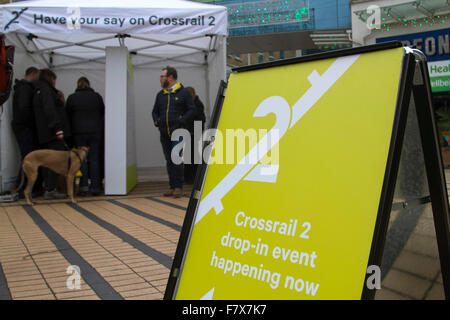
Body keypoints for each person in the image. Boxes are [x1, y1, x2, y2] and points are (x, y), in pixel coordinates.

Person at [152, 66, 196, 198]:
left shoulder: (183, 93)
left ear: (170, 77)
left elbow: (192, 110)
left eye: (162, 76)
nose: (160, 79)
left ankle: (178, 187)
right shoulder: (160, 95)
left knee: (176, 158)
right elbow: (154, 111)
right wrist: (156, 120)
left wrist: (182, 121)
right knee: (168, 159)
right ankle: (172, 186)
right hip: (164, 132)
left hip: (178, 131)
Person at [32, 68, 71, 200]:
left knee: (46, 162)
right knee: (55, 161)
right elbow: (49, 109)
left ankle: (48, 187)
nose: (55, 82)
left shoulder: (38, 90)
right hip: (52, 132)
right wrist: (57, 128)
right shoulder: (46, 91)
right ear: (50, 78)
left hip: (44, 133)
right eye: (54, 79)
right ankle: (50, 189)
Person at [66, 77, 105, 196]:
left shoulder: (72, 98)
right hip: (95, 132)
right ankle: (95, 186)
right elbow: (103, 112)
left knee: (82, 160)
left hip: (78, 133)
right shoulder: (96, 96)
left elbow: (67, 115)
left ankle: (83, 187)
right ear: (89, 85)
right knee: (94, 158)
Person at [11, 67, 43, 196]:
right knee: (27, 157)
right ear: (33, 74)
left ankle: (24, 187)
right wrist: (31, 123)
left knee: (27, 157)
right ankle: (22, 187)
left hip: (21, 126)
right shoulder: (25, 88)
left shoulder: (22, 88)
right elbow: (24, 108)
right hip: (25, 127)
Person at [184, 86, 206, 184]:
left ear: (192, 94)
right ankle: (188, 178)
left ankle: (193, 178)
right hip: (191, 133)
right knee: (189, 157)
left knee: (194, 157)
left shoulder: (197, 105)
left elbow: (199, 119)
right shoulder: (192, 104)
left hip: (195, 133)